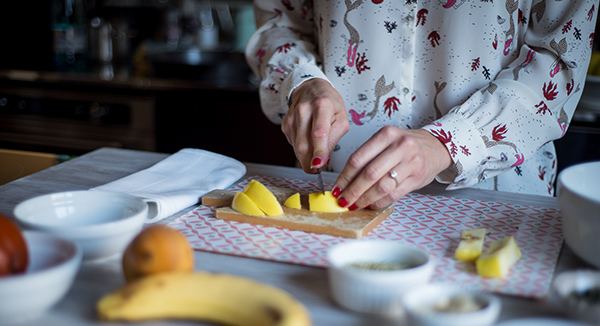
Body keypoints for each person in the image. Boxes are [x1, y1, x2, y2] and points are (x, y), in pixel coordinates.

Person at [245, 0, 597, 210]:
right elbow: (282, 23)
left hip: (495, 205)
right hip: (331, 190)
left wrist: (450, 142)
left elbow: (559, 60)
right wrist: (303, 80)